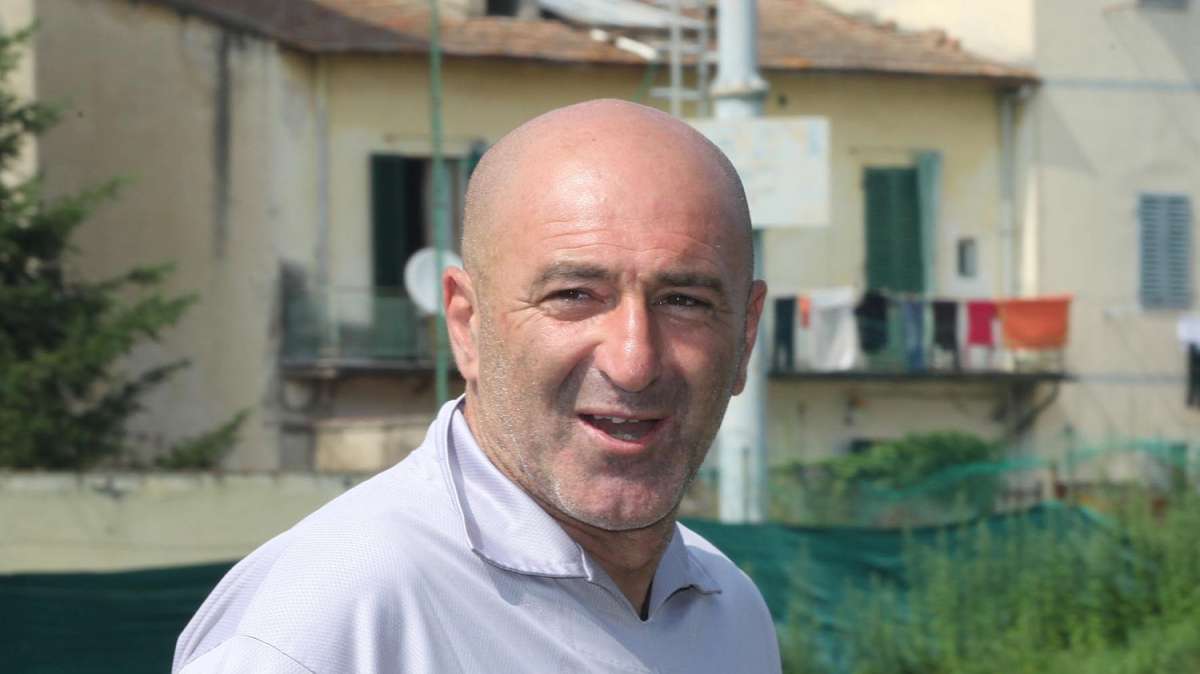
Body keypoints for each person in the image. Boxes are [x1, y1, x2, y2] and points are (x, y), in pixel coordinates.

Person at [173, 99, 778, 673]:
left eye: (683, 301)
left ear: (747, 335)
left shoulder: (732, 615)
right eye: (573, 295)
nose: (633, 361)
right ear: (466, 325)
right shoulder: (335, 618)